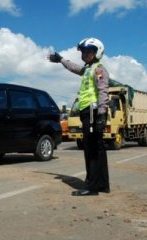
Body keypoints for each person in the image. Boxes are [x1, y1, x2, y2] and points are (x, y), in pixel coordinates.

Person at [48, 38, 110, 196]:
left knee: (91, 147)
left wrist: (102, 115)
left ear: (97, 52)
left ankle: (92, 187)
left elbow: (103, 92)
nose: (85, 54)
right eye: (83, 52)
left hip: (92, 111)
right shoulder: (88, 69)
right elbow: (75, 68)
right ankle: (102, 184)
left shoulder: (99, 69)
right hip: (87, 111)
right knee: (97, 147)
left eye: (89, 51)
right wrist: (61, 59)